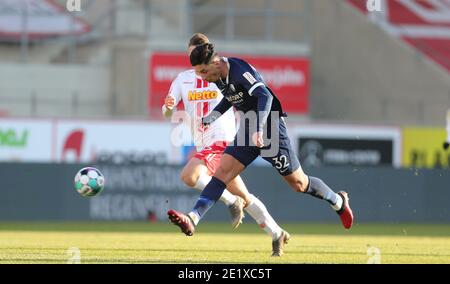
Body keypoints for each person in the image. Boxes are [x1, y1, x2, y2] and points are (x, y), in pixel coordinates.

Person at [167, 42, 354, 249]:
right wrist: (212, 117)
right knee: (222, 172)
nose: (202, 77)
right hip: (249, 127)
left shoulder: (239, 70)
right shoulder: (218, 76)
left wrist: (258, 128)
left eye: (203, 71)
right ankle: (193, 218)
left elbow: (264, 95)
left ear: (216, 62)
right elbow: (231, 98)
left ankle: (337, 201)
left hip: (270, 126)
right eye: (198, 73)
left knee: (298, 184)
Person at [163, 33, 290, 256]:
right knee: (245, 196)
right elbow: (167, 113)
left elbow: (241, 95)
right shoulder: (182, 79)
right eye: (193, 53)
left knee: (189, 176)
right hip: (203, 144)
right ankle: (276, 232)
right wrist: (169, 106)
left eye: (201, 51)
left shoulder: (218, 75)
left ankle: (203, 213)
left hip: (222, 140)